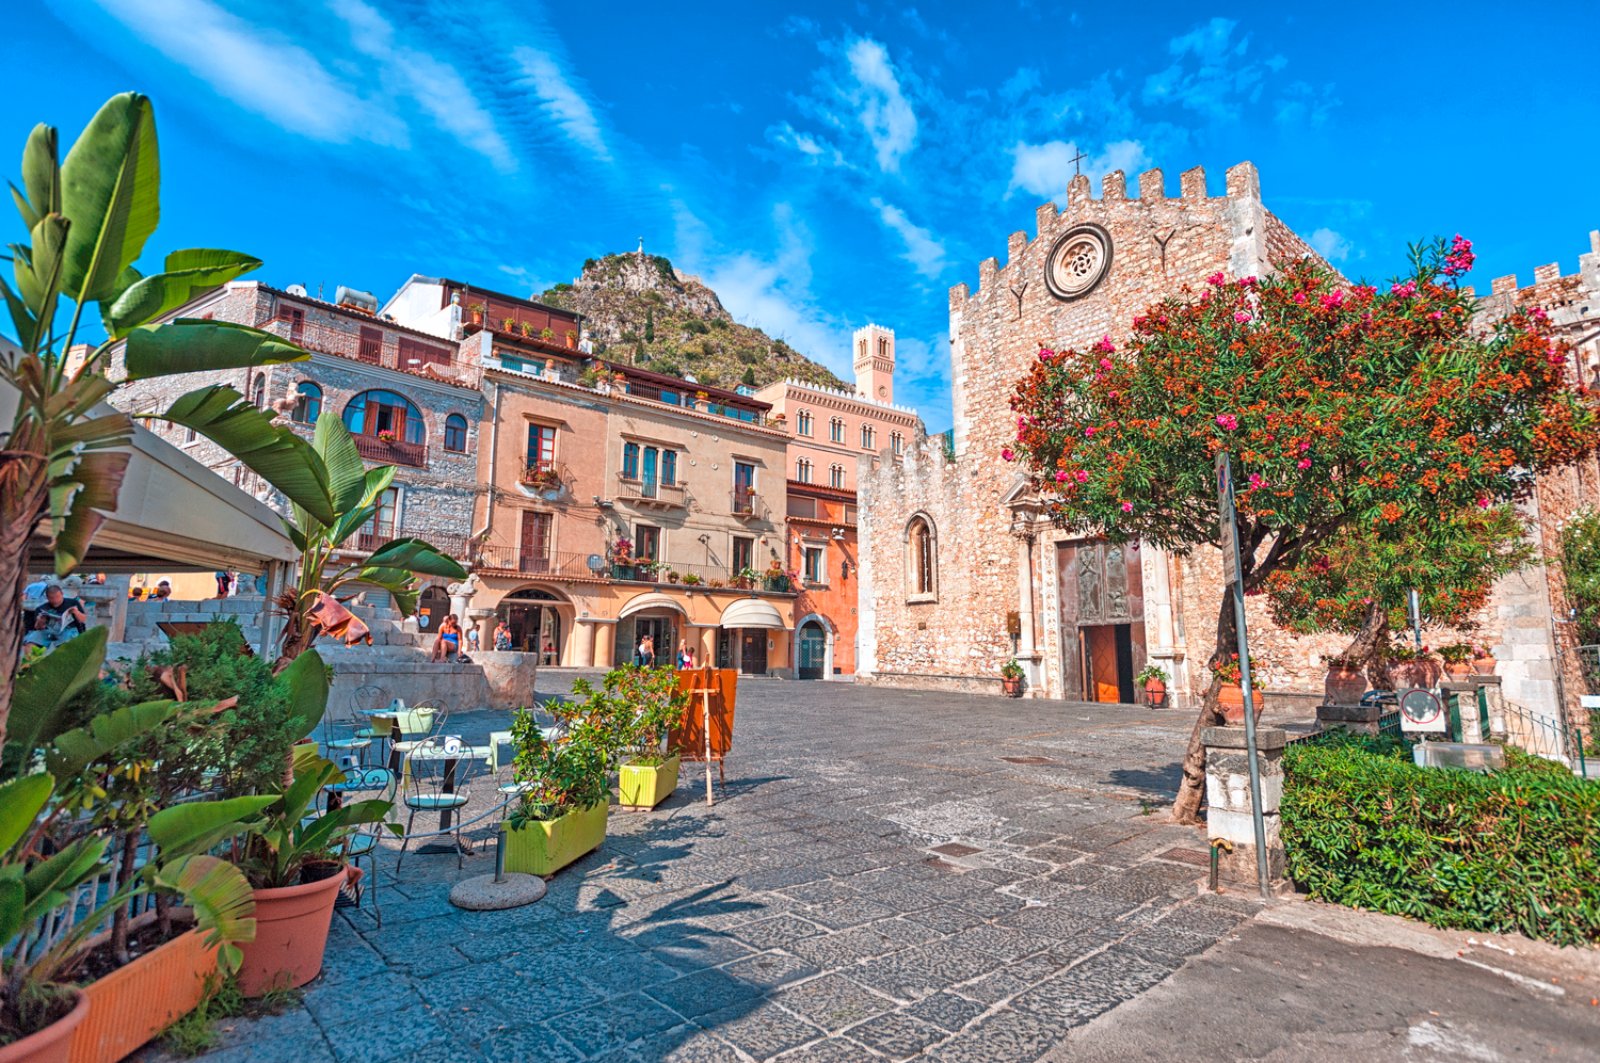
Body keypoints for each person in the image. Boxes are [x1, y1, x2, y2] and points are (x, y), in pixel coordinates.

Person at [25, 584, 88, 649]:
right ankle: (34, 658)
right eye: (52, 598)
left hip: (68, 630)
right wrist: (40, 621)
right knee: (31, 642)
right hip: (48, 631)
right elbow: (38, 628)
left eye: (57, 597)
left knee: (67, 641)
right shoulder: (42, 608)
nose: (55, 600)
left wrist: (76, 612)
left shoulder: (73, 603)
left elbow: (83, 620)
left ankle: (63, 656)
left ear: (62, 594)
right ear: (47, 597)